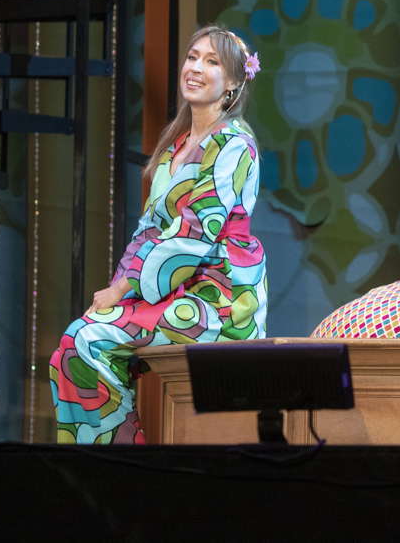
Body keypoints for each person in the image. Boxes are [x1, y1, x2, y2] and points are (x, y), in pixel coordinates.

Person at [49, 25, 268, 444]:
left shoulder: (235, 144)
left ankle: (121, 462)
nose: (195, 68)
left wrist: (123, 291)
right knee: (75, 342)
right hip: (175, 290)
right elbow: (147, 230)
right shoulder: (177, 145)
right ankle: (109, 453)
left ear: (234, 83)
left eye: (211, 61)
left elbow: (194, 234)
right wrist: (119, 286)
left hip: (218, 298)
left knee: (85, 339)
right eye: (192, 57)